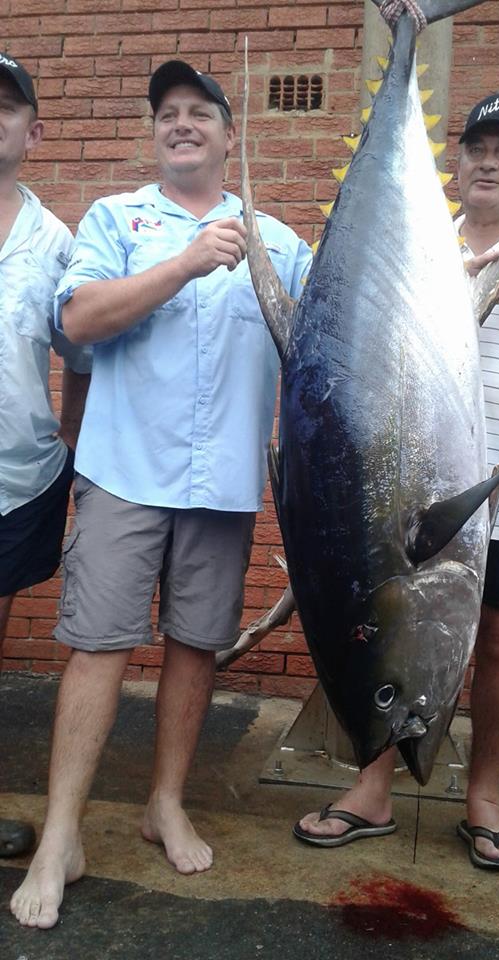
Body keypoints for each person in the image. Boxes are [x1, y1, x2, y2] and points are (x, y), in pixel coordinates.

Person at [9, 59, 311, 929]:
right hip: (122, 472)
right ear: (156, 135)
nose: (181, 124)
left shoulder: (277, 239)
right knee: (99, 645)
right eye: (167, 114)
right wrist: (182, 266)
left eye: (199, 113)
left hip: (221, 484)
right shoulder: (116, 219)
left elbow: (325, 339)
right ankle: (61, 832)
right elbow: (77, 321)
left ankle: (164, 802)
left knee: (194, 646)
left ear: (228, 132)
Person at [294, 93, 499, 871]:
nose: (488, 161)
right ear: (456, 164)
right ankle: (373, 787)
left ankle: (483, 797)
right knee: (386, 626)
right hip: (415, 490)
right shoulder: (421, 245)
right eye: (475, 147)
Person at [0, 56, 91, 859]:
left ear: (35, 131)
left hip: (15, 477)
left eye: (5, 107)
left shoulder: (56, 241)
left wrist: (68, 434)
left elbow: (79, 352)